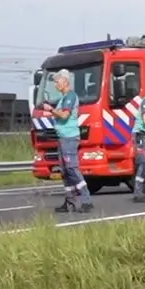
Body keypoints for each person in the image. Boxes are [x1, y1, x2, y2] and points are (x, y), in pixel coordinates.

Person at [42, 69, 92, 213]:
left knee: (72, 168)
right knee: (65, 171)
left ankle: (86, 199)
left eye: (57, 81)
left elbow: (64, 115)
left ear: (65, 81)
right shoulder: (63, 98)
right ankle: (70, 201)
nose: (56, 84)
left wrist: (51, 110)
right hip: (63, 137)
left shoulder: (70, 96)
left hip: (69, 138)